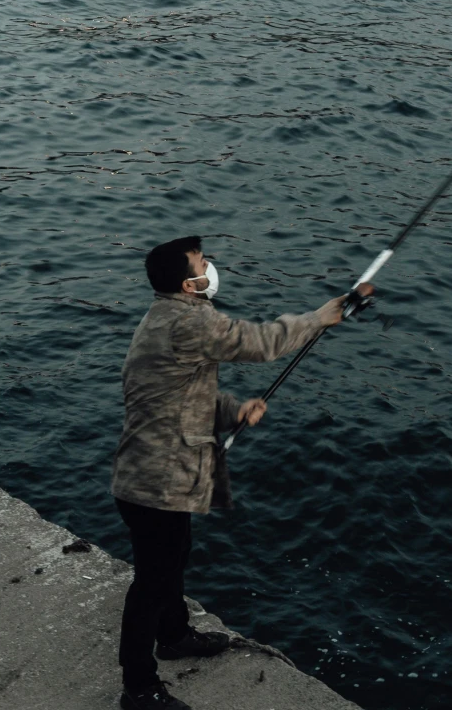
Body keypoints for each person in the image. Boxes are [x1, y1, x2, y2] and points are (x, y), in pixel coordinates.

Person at [111, 236, 354, 710]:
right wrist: (319, 318)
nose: (211, 266)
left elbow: (171, 395)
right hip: (155, 481)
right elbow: (258, 342)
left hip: (155, 475)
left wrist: (232, 410)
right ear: (190, 282)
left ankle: (175, 634)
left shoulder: (163, 317)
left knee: (175, 555)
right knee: (152, 581)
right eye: (203, 263)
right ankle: (138, 688)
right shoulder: (188, 321)